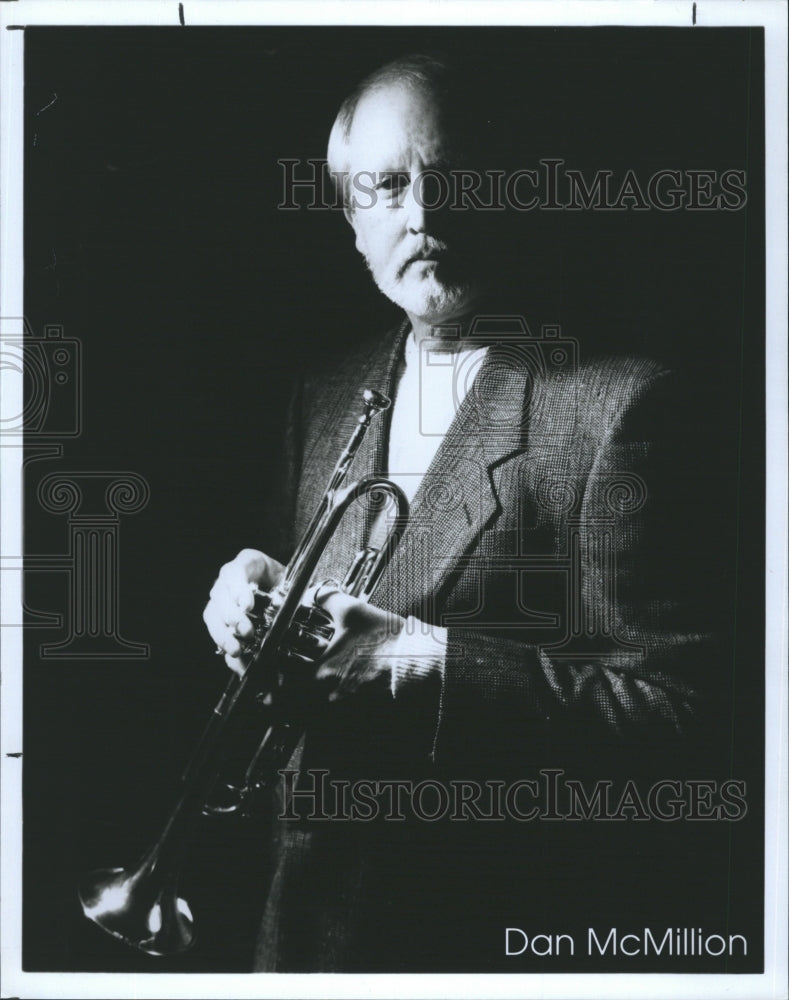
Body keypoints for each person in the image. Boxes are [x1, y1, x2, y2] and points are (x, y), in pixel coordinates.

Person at [202, 55, 732, 972]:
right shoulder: (325, 393)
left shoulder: (622, 406)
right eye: (388, 187)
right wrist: (252, 609)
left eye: (455, 180)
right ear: (350, 217)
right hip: (299, 937)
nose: (425, 215)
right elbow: (313, 650)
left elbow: (687, 725)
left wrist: (415, 664)